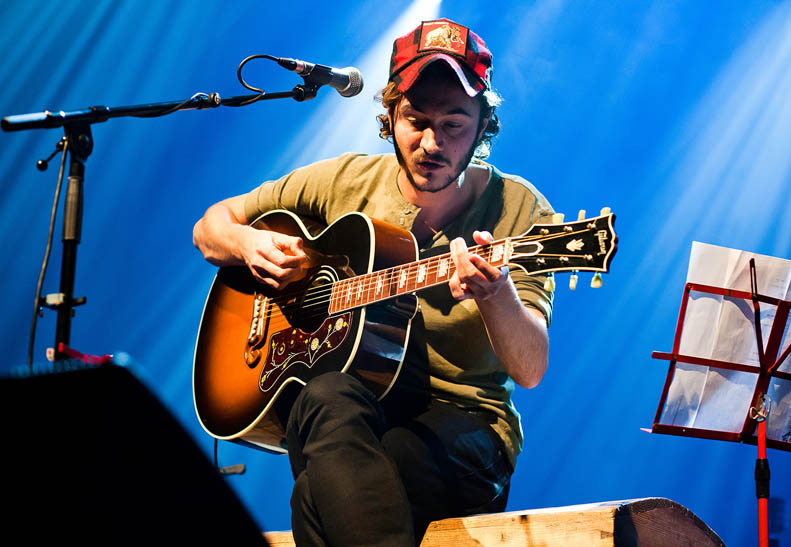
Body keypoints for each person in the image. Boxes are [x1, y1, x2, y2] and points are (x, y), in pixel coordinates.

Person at [193, 18, 555, 546]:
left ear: (483, 128)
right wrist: (251, 246)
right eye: (415, 119)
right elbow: (210, 228)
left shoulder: (519, 209)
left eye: (454, 124)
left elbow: (531, 368)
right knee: (323, 399)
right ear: (389, 113)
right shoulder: (345, 180)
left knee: (325, 489)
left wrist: (497, 295)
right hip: (363, 413)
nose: (432, 142)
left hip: (467, 426)